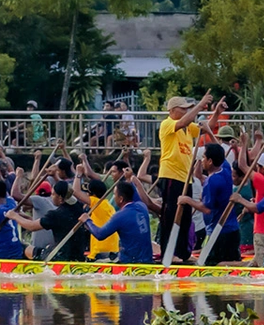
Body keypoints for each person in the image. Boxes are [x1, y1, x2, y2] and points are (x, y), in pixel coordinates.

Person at [154, 92, 214, 263]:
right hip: (171, 174)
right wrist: (200, 103)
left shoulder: (188, 128)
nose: (187, 112)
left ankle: (182, 253)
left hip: (185, 178)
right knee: (171, 215)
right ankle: (168, 252)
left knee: (185, 218)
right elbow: (182, 122)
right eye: (184, 109)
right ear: (173, 110)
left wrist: (215, 112)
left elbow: (207, 128)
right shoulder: (168, 123)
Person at [183, 143, 241, 265]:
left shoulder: (211, 182)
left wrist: (187, 200)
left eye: (204, 158)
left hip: (218, 232)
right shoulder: (225, 169)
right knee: (231, 263)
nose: (202, 160)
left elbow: (207, 209)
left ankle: (250, 264)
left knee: (211, 265)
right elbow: (199, 174)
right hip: (232, 229)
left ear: (210, 161)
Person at [10, 179, 90, 263]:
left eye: (53, 194)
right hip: (78, 256)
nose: (51, 197)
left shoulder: (55, 215)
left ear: (60, 198)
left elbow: (32, 226)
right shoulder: (79, 206)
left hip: (59, 256)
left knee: (23, 248)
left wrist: (15, 216)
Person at [86, 180, 155, 263]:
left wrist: (87, 220)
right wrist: (131, 181)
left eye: (115, 194)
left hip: (129, 262)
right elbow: (136, 196)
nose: (114, 197)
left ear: (121, 199)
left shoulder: (119, 216)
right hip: (147, 260)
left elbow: (100, 234)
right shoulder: (142, 207)